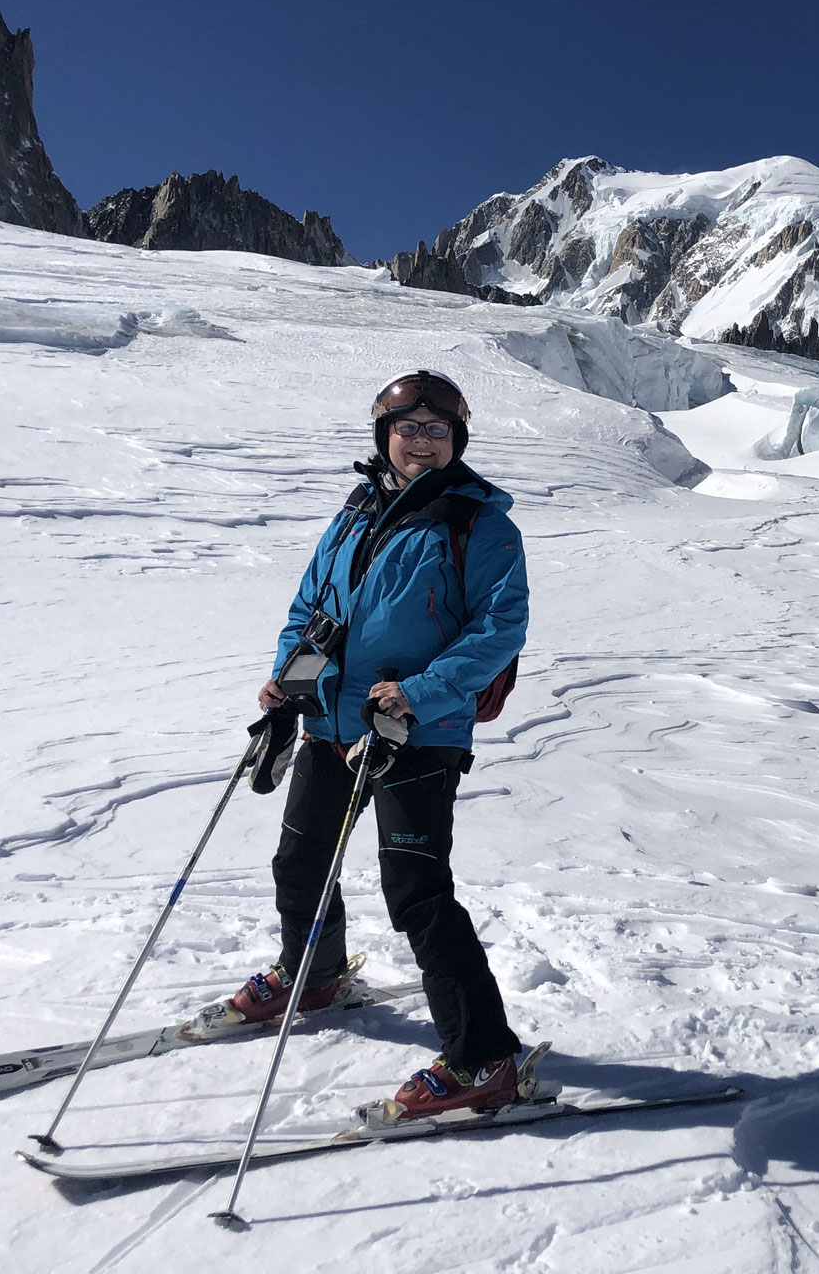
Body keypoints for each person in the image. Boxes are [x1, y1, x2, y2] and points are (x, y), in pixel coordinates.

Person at [218, 370, 531, 1120]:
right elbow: (312, 607)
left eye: (437, 430)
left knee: (418, 893)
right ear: (383, 435)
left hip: (415, 733)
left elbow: (499, 627)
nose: (421, 442)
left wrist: (417, 693)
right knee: (301, 862)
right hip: (331, 724)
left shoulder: (479, 523)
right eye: (408, 428)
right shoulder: (357, 510)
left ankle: (485, 1057)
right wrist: (285, 681)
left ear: (456, 440)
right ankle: (312, 974)